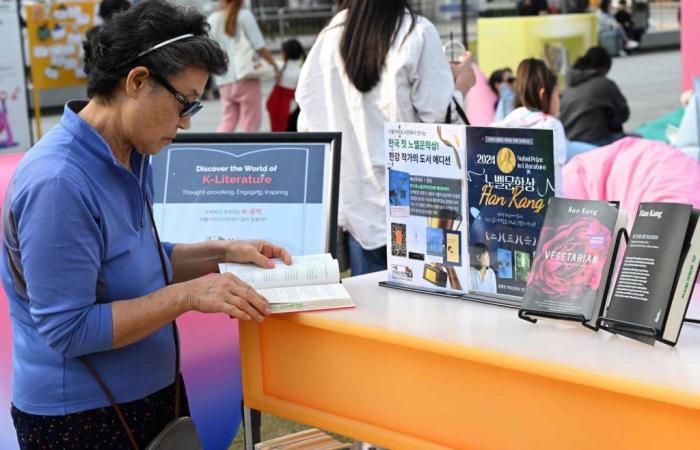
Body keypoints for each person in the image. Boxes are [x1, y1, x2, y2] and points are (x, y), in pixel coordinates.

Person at [3, 1, 291, 448]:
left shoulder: (133, 151)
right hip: (81, 418)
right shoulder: (58, 182)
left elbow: (137, 261)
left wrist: (221, 253)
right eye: (184, 104)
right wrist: (189, 295)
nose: (184, 124)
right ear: (137, 81)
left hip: (153, 395)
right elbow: (68, 329)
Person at [295, 0, 476, 276]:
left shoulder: (331, 34)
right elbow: (440, 120)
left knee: (372, 309)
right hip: (419, 200)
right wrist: (461, 84)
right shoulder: (415, 31)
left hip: (357, 203)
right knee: (427, 302)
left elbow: (309, 118)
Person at [492, 58, 566, 196]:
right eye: (557, 93)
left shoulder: (505, 122)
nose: (559, 98)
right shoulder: (551, 125)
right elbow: (556, 183)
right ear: (543, 94)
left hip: (510, 203)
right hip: (542, 209)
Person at [207, 0, 280, 132]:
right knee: (250, 125)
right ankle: (248, 150)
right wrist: (274, 65)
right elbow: (259, 46)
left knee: (227, 122)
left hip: (223, 79)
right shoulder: (245, 15)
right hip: (246, 77)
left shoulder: (212, 19)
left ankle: (217, 149)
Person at [559, 46, 630, 147]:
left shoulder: (568, 86)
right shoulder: (604, 83)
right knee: (637, 141)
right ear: (604, 68)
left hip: (570, 143)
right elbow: (624, 113)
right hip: (595, 141)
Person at [266, 38, 305, 132]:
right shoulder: (302, 71)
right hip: (297, 110)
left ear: (285, 53)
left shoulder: (279, 67)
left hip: (280, 108)